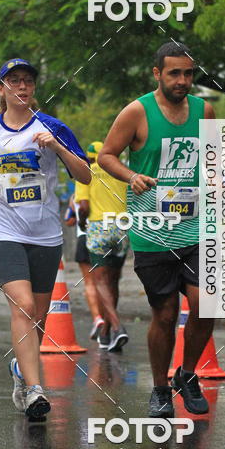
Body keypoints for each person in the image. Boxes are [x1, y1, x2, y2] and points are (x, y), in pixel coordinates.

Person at [0, 58, 90, 421]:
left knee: (37, 315)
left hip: (45, 232)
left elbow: (85, 176)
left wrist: (59, 147)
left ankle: (22, 371)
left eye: (28, 82)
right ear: (1, 89)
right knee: (22, 305)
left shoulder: (52, 127)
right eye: (14, 81)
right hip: (1, 228)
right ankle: (35, 391)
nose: (22, 87)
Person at [98, 42, 216, 419]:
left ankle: (186, 373)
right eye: (174, 74)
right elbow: (106, 156)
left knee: (207, 304)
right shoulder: (137, 111)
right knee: (164, 314)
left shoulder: (205, 111)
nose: (182, 81)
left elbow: (215, 166)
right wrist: (132, 176)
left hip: (198, 227)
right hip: (153, 231)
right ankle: (161, 389)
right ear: (157, 74)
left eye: (188, 74)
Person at [75, 141, 128, 352]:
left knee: (100, 281)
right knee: (114, 281)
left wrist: (81, 221)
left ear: (90, 157)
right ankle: (105, 334)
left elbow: (84, 206)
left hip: (99, 227)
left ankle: (117, 326)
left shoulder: (86, 171)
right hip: (123, 226)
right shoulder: (121, 171)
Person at [64, 192, 103, 340]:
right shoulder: (109, 183)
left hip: (84, 238)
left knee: (89, 283)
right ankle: (110, 321)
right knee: (106, 282)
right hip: (105, 235)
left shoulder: (75, 195)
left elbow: (69, 220)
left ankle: (98, 318)